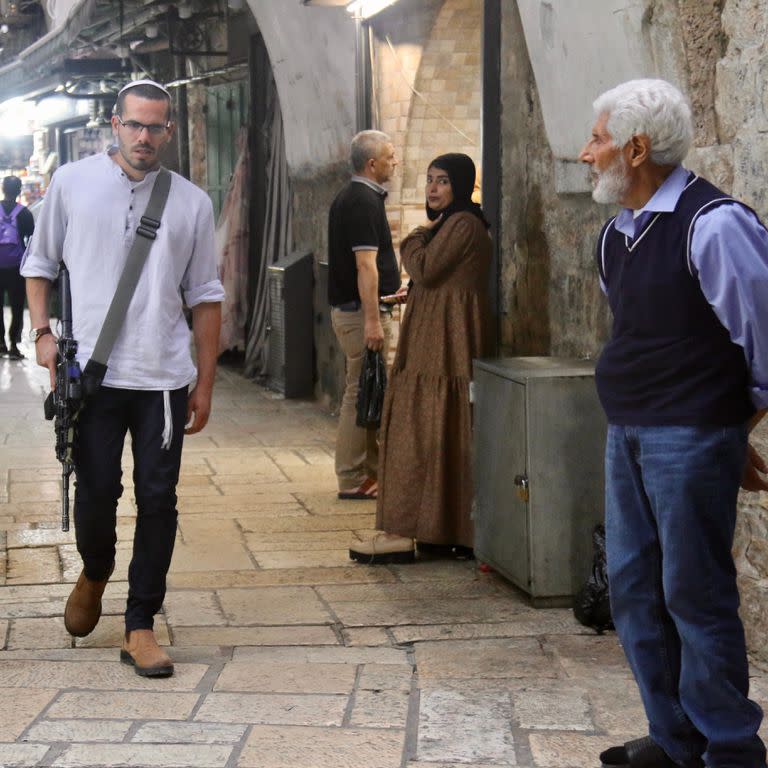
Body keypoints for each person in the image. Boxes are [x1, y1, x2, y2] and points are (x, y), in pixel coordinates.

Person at [579, 78, 768, 768]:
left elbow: (764, 338)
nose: (585, 153)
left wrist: (731, 428)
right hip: (628, 430)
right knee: (633, 590)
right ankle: (675, 740)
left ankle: (730, 749)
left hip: (690, 437)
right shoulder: (616, 234)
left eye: (597, 140)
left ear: (634, 147)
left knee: (694, 591)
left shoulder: (714, 224)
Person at [21, 80, 224, 678]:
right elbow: (39, 264)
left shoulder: (191, 202)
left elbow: (206, 298)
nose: (145, 137)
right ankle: (95, 569)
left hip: (163, 377)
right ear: (115, 123)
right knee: (97, 492)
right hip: (93, 374)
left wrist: (205, 382)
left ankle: (140, 622)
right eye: (135, 125)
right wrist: (41, 334)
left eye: (156, 127)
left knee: (159, 499)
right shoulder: (73, 183)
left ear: (168, 131)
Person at [350, 153, 492, 564]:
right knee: (430, 427)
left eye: (443, 181)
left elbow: (425, 267)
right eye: (430, 180)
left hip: (447, 341)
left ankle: (419, 530)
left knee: (432, 424)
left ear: (461, 186)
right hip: (436, 334)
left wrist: (413, 236)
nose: (433, 188)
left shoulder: (462, 224)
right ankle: (433, 527)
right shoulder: (452, 223)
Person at [328, 130, 401, 500]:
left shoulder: (360, 197)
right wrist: (373, 319)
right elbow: (365, 266)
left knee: (371, 389)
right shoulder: (361, 201)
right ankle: (353, 477)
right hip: (360, 317)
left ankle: (368, 473)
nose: (395, 161)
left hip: (362, 311)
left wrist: (391, 293)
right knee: (359, 392)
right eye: (390, 156)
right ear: (372, 164)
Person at [0, 175, 34, 359]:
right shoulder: (24, 213)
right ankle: (14, 345)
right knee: (17, 306)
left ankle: (0, 344)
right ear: (19, 191)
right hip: (16, 267)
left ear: (3, 189)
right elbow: (32, 239)